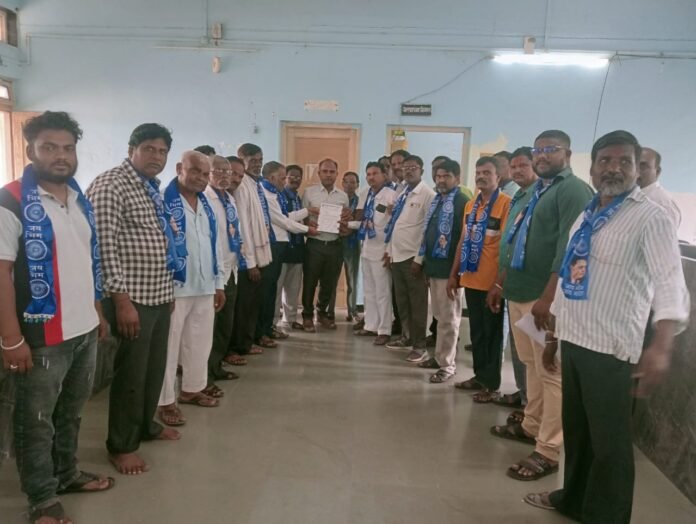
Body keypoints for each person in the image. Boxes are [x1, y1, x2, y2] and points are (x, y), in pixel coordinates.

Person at [525, 130, 689, 523]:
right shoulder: (588, 214)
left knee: (610, 445)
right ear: (593, 168)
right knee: (578, 433)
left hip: (612, 350)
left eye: (624, 161)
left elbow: (670, 282)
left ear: (637, 169)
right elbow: (571, 274)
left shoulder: (651, 217)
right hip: (575, 340)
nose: (614, 168)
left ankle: (607, 515)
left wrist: (662, 345)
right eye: (605, 161)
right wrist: (554, 336)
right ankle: (573, 499)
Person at [0, 111, 113, 523]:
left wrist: (97, 312)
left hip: (83, 328)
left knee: (71, 412)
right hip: (40, 335)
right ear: (31, 150)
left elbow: (86, 261)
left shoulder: (79, 199)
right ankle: (42, 499)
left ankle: (66, 473)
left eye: (67, 148)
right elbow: (1, 273)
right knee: (35, 422)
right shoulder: (10, 200)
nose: (60, 156)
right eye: (49, 147)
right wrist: (11, 338)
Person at [488, 130, 593, 482]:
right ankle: (531, 425)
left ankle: (549, 449)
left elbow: (569, 247)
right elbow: (516, 240)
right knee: (531, 365)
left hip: (542, 297)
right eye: (539, 150)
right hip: (519, 291)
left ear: (568, 154)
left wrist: (549, 298)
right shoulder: (538, 190)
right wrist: (501, 282)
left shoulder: (572, 190)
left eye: (551, 149)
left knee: (551, 371)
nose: (543, 155)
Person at [87, 123, 181, 475]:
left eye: (162, 151)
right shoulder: (111, 185)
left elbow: (160, 241)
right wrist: (122, 302)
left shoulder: (149, 187)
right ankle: (122, 445)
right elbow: (104, 248)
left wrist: (168, 292)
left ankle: (146, 426)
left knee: (153, 370)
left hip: (158, 295)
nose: (157, 156)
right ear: (131, 150)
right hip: (132, 299)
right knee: (131, 374)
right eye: (149, 149)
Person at [157, 151, 226, 425]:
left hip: (205, 284)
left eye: (205, 174)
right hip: (175, 287)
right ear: (179, 168)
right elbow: (158, 249)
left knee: (199, 342)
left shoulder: (206, 205)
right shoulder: (162, 201)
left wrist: (219, 283)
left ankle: (192, 389)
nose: (200, 178)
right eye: (195, 171)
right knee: (168, 348)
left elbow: (215, 244)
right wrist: (164, 289)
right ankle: (165, 401)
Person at [449, 157, 511, 398]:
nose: (481, 176)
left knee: (491, 334)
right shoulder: (471, 205)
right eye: (478, 172)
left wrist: (499, 283)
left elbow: (507, 247)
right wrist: (454, 274)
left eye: (487, 172)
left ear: (498, 177)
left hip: (492, 283)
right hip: (470, 279)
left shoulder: (506, 204)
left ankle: (491, 384)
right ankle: (479, 376)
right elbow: (462, 241)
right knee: (476, 333)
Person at [489, 147, 538, 419]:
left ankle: (531, 408)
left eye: (524, 166)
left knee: (535, 356)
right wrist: (500, 282)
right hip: (513, 284)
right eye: (514, 166)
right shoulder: (519, 196)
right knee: (521, 352)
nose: (518, 171)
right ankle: (523, 395)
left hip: (533, 289)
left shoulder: (540, 196)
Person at [414, 159, 468, 382]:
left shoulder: (462, 202)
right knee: (438, 316)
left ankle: (447, 365)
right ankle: (439, 357)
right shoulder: (438, 200)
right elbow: (429, 234)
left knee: (449, 319)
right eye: (438, 176)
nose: (441, 180)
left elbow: (464, 240)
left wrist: (456, 273)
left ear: (457, 178)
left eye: (446, 176)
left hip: (450, 271)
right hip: (434, 268)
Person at [383, 154, 436, 362]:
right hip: (397, 256)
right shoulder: (403, 192)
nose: (408, 170)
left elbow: (427, 231)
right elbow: (395, 223)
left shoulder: (427, 194)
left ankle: (420, 346)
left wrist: (419, 260)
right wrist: (389, 251)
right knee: (402, 303)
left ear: (422, 170)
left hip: (413, 259)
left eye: (413, 167)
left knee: (418, 304)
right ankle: (406, 337)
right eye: (406, 168)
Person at [260, 161, 315, 342]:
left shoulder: (278, 194)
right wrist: (308, 230)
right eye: (284, 177)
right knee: (272, 290)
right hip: (275, 245)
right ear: (272, 177)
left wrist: (308, 211)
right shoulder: (268, 194)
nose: (286, 181)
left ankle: (278, 324)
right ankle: (269, 326)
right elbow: (284, 222)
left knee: (285, 288)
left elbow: (286, 216)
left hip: (290, 247)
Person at [204, 155, 245, 397]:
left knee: (224, 326)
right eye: (218, 171)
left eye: (227, 172)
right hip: (213, 273)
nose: (224, 176)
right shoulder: (205, 198)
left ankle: (216, 367)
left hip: (231, 270)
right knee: (208, 328)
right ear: (208, 173)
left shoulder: (229, 198)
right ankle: (203, 378)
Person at [228, 143, 272, 359]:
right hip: (247, 260)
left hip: (258, 255)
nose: (257, 164)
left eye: (260, 160)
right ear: (241, 159)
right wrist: (250, 262)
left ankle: (248, 340)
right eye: (252, 160)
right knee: (244, 306)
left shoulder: (255, 184)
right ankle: (240, 345)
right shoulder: (241, 186)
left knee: (253, 303)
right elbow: (244, 227)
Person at [301, 158, 350, 332]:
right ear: (319, 173)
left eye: (332, 172)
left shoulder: (343, 196)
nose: (328, 175)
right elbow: (302, 217)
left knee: (329, 283)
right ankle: (307, 316)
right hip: (314, 244)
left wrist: (345, 224)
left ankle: (322, 314)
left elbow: (345, 219)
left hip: (335, 244)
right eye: (325, 171)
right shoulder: (309, 193)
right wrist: (308, 225)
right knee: (310, 282)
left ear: (337, 174)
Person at [353, 162, 397, 345]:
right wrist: (346, 225)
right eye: (368, 174)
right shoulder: (367, 194)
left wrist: (390, 251)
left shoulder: (391, 195)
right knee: (369, 290)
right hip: (367, 247)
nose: (371, 177)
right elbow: (364, 221)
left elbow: (394, 225)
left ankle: (385, 329)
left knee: (382, 292)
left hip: (382, 250)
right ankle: (371, 325)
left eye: (375, 173)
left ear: (384, 175)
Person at [276, 164, 307, 330]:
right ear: (285, 178)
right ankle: (273, 322)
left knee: (293, 288)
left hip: (298, 247)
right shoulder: (279, 196)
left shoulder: (297, 197)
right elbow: (286, 219)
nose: (296, 179)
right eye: (292, 176)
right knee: (277, 288)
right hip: (283, 248)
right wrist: (308, 212)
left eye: (298, 177)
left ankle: (291, 318)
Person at [332, 171, 361, 322]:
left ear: (357, 185)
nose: (349, 185)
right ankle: (328, 311)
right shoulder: (336, 199)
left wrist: (349, 227)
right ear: (342, 183)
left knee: (352, 278)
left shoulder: (361, 201)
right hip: (336, 242)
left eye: (353, 182)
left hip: (352, 243)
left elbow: (361, 221)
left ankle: (352, 311)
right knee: (332, 278)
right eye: (347, 182)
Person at [637, 147, 681, 229]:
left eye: (642, 166)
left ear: (657, 171)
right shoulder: (629, 197)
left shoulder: (662, 205)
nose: (635, 171)